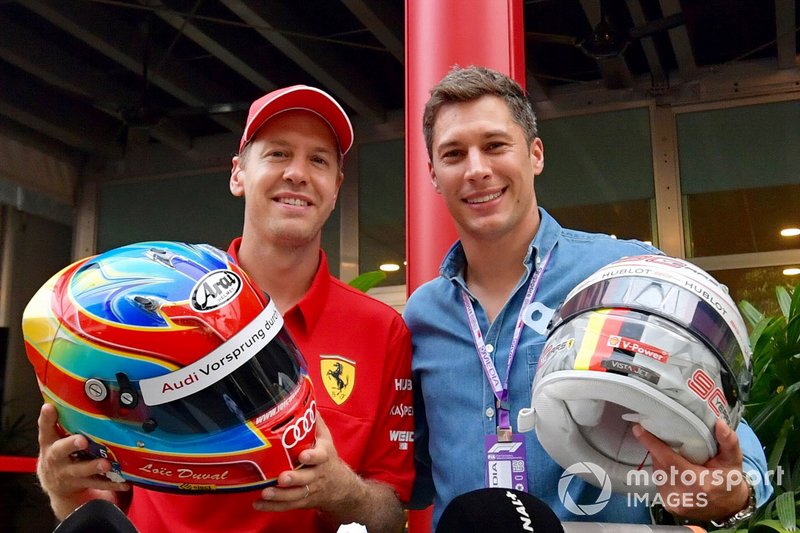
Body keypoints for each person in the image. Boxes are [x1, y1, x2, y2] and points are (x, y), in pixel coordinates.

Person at [403, 65, 772, 530]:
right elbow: (408, 474)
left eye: (495, 145)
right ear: (434, 174)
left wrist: (728, 493)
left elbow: (722, 435)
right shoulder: (423, 316)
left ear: (535, 154)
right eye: (454, 154)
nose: (477, 169)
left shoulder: (620, 275)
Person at [35, 85, 414, 533]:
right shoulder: (150, 307)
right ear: (238, 175)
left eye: (318, 160)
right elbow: (106, 500)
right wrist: (64, 488)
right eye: (277, 154)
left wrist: (340, 491)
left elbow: (391, 516)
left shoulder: (381, 329)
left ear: (335, 188)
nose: (297, 173)